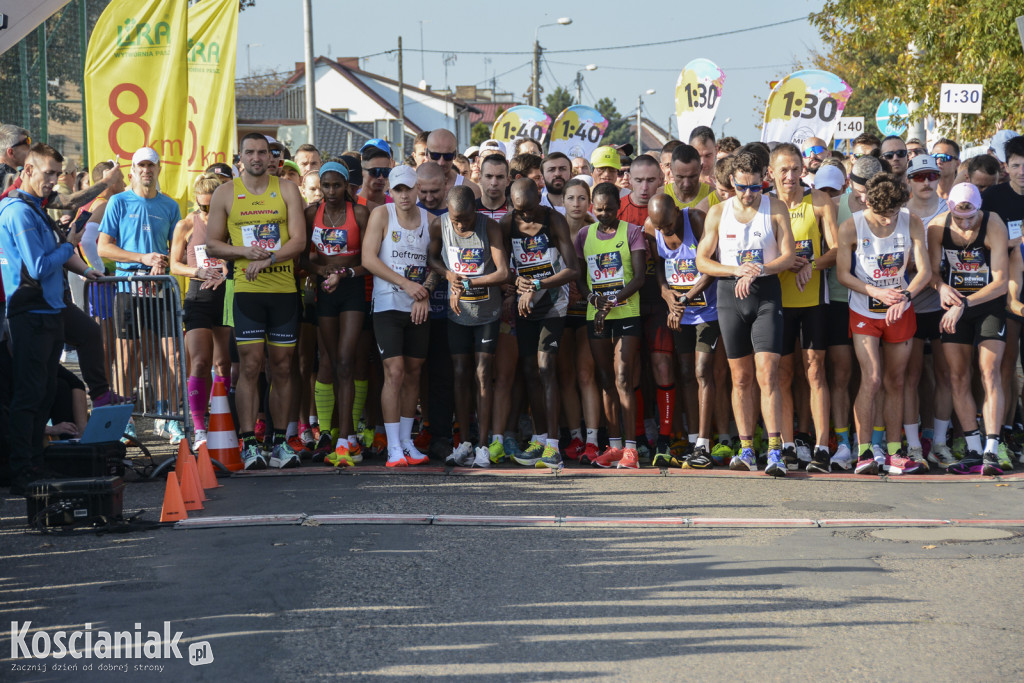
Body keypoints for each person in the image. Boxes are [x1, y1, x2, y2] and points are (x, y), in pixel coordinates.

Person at [206, 132, 308, 470]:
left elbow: (299, 241)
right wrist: (244, 252)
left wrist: (270, 258)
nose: (257, 158)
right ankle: (249, 442)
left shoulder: (287, 189)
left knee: (282, 367)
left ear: (273, 158)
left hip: (283, 293)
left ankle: (280, 441)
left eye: (263, 152)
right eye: (250, 152)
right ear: (241, 158)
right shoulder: (225, 193)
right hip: (247, 293)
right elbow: (212, 245)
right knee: (249, 366)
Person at [0, 143, 99, 494]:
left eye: (58, 174)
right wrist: (69, 242)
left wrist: (71, 252)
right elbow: (40, 266)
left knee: (42, 392)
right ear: (26, 171)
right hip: (29, 314)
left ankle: (34, 464)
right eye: (48, 174)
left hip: (49, 311)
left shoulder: (33, 207)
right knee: (29, 395)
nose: (54, 181)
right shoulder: (17, 211)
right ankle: (22, 470)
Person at [695, 150, 795, 476]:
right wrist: (736, 270)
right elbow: (702, 261)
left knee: (768, 373)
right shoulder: (717, 212)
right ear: (731, 182)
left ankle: (776, 450)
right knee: (741, 378)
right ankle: (748, 448)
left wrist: (758, 270)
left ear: (764, 180)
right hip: (729, 297)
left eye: (756, 187)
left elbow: (788, 257)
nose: (749, 194)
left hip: (765, 296)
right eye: (742, 188)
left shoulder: (775, 207)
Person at [837, 173, 930, 476]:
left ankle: (894, 452)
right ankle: (863, 450)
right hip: (865, 309)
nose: (889, 221)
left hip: (899, 309)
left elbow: (924, 271)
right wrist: (874, 291)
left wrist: (905, 295)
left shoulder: (910, 220)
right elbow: (843, 275)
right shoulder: (852, 225)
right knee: (872, 378)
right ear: (867, 203)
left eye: (893, 214)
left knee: (896, 381)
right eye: (882, 215)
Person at [97, 147, 185, 444]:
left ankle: (169, 417)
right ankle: (125, 420)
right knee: (127, 357)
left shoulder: (170, 206)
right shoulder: (118, 202)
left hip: (160, 287)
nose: (146, 170)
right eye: (141, 165)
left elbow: (177, 251)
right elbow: (103, 248)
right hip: (128, 287)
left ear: (159, 169)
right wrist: (143, 258)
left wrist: (162, 262)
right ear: (132, 170)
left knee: (171, 354)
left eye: (151, 165)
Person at [928, 183, 1010, 475]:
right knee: (957, 375)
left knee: (990, 370)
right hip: (954, 306)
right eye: (958, 217)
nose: (964, 223)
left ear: (979, 209)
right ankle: (974, 448)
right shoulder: (938, 227)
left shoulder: (994, 224)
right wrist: (940, 287)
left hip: (986, 303)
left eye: (970, 217)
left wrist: (964, 304)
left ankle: (992, 447)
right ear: (949, 208)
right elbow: (932, 273)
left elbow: (1001, 282)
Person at [500, 178, 579, 468]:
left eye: (530, 210)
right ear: (512, 206)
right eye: (521, 211)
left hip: (553, 304)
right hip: (526, 306)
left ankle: (554, 447)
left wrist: (535, 282)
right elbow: (501, 267)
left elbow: (573, 268)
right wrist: (512, 284)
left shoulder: (553, 220)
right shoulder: (507, 223)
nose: (526, 216)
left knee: (547, 369)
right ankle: (541, 438)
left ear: (539, 200)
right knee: (530, 370)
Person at [427, 186, 509, 467]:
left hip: (486, 313)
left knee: (483, 374)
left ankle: (483, 445)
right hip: (458, 314)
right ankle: (463, 443)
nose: (460, 224)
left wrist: (468, 283)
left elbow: (503, 272)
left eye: (465, 219)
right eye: (455, 219)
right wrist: (448, 274)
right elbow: (432, 258)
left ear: (476, 210)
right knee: (460, 374)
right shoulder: (442, 225)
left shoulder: (490, 227)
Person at [648, 194, 729, 468]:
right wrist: (667, 295)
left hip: (707, 311)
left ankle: (704, 444)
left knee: (702, 370)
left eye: (669, 226)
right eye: (661, 229)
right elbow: (660, 266)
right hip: (679, 314)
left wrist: (684, 298)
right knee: (684, 373)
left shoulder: (694, 219)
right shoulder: (654, 228)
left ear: (676, 212)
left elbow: (712, 266)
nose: (665, 232)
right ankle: (693, 439)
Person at [360, 165, 432, 467]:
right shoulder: (382, 215)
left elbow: (438, 264)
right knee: (395, 371)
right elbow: (367, 259)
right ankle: (392, 446)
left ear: (418, 190)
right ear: (391, 191)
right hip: (388, 304)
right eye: (398, 190)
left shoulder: (432, 220)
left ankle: (406, 442)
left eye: (408, 189)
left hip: (417, 307)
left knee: (414, 372)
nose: (403, 195)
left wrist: (424, 292)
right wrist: (405, 284)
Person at [300, 161, 371, 467]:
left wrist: (344, 272)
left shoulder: (360, 213)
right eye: (325, 185)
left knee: (346, 359)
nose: (330, 191)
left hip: (353, 288)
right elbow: (303, 259)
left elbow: (371, 260)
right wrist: (322, 270)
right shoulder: (310, 213)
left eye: (336, 185)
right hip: (324, 290)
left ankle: (347, 436)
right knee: (329, 360)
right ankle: (332, 433)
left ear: (347, 186)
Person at [572, 182, 647, 469]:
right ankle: (613, 446)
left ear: (619, 207)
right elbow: (579, 277)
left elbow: (639, 278)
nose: (604, 214)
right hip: (596, 316)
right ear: (592, 206)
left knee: (623, 378)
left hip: (626, 313)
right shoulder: (583, 235)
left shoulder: (632, 232)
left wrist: (612, 300)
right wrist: (593, 298)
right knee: (606, 381)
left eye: (610, 209)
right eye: (599, 209)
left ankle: (631, 449)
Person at [169, 172, 231, 448]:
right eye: (201, 206)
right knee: (200, 362)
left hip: (227, 294)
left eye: (210, 206)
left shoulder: (231, 222)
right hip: (199, 296)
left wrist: (227, 269)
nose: (206, 212)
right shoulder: (186, 224)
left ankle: (223, 421)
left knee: (224, 363)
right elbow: (174, 265)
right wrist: (198, 270)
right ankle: (199, 428)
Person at [903, 153, 955, 469]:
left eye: (931, 176)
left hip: (941, 305)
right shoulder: (899, 214)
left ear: (939, 178)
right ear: (909, 180)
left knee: (945, 374)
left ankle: (938, 443)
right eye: (919, 177)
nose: (926, 182)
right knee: (909, 376)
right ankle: (912, 446)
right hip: (908, 305)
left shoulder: (951, 211)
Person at [560, 178, 603, 462]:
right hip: (560, 313)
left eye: (581, 198)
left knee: (587, 375)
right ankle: (575, 436)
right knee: (566, 376)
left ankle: (592, 439)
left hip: (588, 312)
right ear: (562, 202)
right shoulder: (554, 228)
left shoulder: (596, 231)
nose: (576, 204)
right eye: (570, 198)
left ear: (588, 201)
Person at [426, 129, 481, 197]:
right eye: (435, 155)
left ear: (454, 155)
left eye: (447, 156)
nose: (441, 162)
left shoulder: (471, 190)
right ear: (427, 154)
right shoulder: (413, 186)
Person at [666, 144, 713, 209]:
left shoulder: (713, 198)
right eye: (680, 177)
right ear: (671, 169)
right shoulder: (660, 195)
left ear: (701, 168)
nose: (686, 184)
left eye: (692, 177)